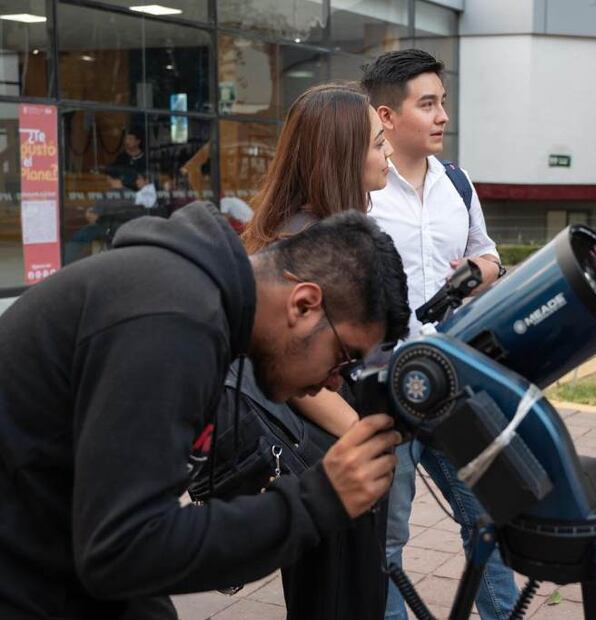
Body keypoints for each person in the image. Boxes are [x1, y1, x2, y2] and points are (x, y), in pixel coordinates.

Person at [0, 203, 409, 619]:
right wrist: (315, 500)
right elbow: (123, 549)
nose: (336, 382)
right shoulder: (173, 321)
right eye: (343, 357)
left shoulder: (197, 306)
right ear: (303, 305)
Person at [361, 49, 518, 620]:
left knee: (490, 522)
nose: (442, 115)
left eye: (442, 102)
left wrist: (478, 273)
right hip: (386, 393)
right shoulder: (363, 189)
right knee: (386, 542)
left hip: (456, 383)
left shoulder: (457, 180)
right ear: (385, 115)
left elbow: (489, 256)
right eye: (427, 104)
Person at [233, 82, 396, 619]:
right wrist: (363, 434)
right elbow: (292, 376)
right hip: (328, 455)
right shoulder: (299, 247)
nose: (387, 151)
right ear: (342, 153)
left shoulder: (321, 234)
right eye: (376, 142)